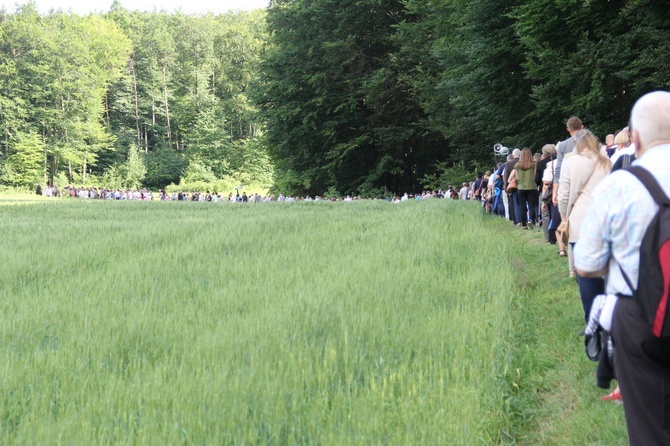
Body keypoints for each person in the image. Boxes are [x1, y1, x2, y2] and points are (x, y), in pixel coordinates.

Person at [575, 91, 670, 445]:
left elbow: (586, 265)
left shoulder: (618, 186)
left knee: (650, 425)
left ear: (636, 137)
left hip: (639, 314)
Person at [558, 129, 611, 319]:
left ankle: (592, 320)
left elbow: (563, 194)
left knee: (586, 274)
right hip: (605, 220)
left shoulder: (570, 162)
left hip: (580, 219)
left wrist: (564, 216)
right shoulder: (606, 161)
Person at [552, 116, 584, 206]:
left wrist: (555, 191)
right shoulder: (593, 142)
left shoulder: (563, 145)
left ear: (568, 129)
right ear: (582, 127)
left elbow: (559, 169)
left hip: (570, 185)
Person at [513, 148, 537, 228]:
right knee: (531, 205)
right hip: (531, 186)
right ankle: (531, 220)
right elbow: (535, 176)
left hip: (521, 187)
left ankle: (523, 224)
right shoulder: (533, 164)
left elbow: (517, 177)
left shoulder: (517, 165)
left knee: (522, 206)